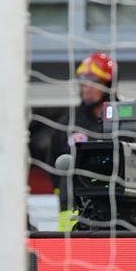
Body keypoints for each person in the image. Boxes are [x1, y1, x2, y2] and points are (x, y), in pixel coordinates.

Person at [49, 53, 117, 214]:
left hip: (116, 206)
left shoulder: (125, 117)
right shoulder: (68, 122)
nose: (87, 88)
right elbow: (53, 166)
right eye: (83, 82)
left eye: (93, 82)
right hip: (71, 209)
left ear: (109, 84)